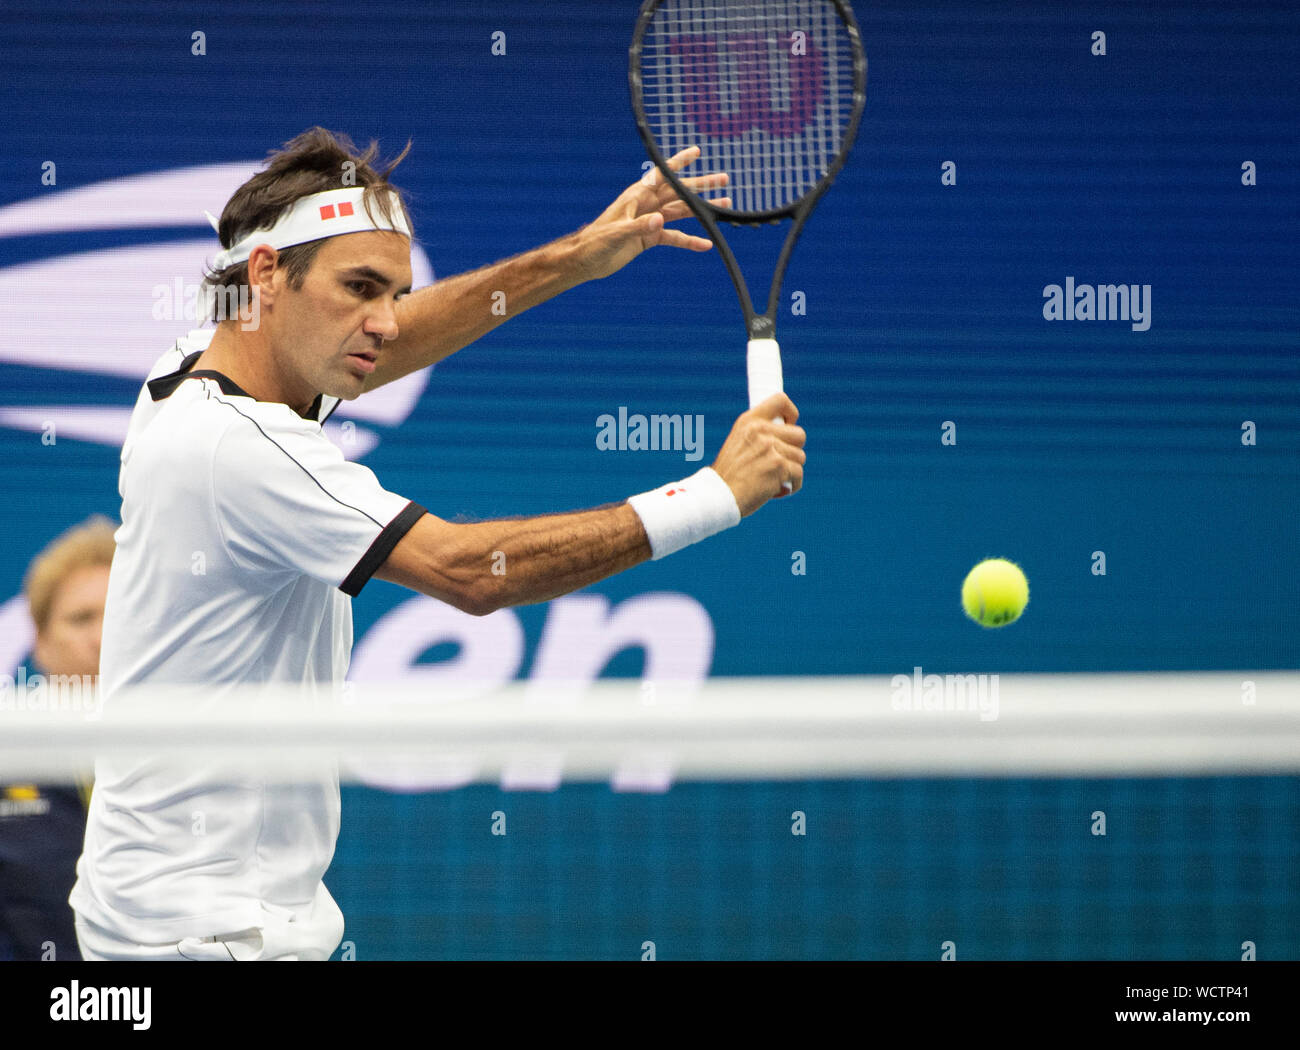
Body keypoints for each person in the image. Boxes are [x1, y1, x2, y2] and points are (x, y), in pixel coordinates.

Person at [70, 127, 806, 960]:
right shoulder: (237, 448)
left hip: (166, 913)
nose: (382, 323)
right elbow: (471, 573)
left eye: (393, 291)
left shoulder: (192, 367)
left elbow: (396, 337)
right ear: (269, 275)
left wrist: (579, 256)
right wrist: (717, 492)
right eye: (359, 288)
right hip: (209, 934)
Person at [0, 516, 115, 960]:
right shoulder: (9, 754)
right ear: (41, 643)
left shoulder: (212, 753)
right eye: (82, 618)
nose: (104, 638)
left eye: (122, 616)